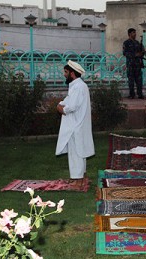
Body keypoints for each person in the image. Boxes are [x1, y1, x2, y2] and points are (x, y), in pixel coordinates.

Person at [55, 60, 95, 190]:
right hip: (77, 123)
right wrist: (61, 104)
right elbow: (68, 100)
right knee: (79, 151)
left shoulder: (78, 87)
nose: (64, 75)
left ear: (72, 73)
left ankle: (77, 181)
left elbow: (72, 106)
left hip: (76, 124)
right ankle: (80, 176)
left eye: (66, 72)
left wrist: (62, 109)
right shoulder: (77, 85)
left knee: (75, 152)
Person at [123, 28, 145, 99]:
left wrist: (142, 52)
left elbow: (141, 53)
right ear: (129, 34)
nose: (135, 34)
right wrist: (135, 55)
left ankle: (140, 94)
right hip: (130, 65)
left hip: (137, 65)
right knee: (131, 80)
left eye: (135, 32)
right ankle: (131, 94)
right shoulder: (126, 43)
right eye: (133, 33)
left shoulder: (137, 43)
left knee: (139, 80)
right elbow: (125, 53)